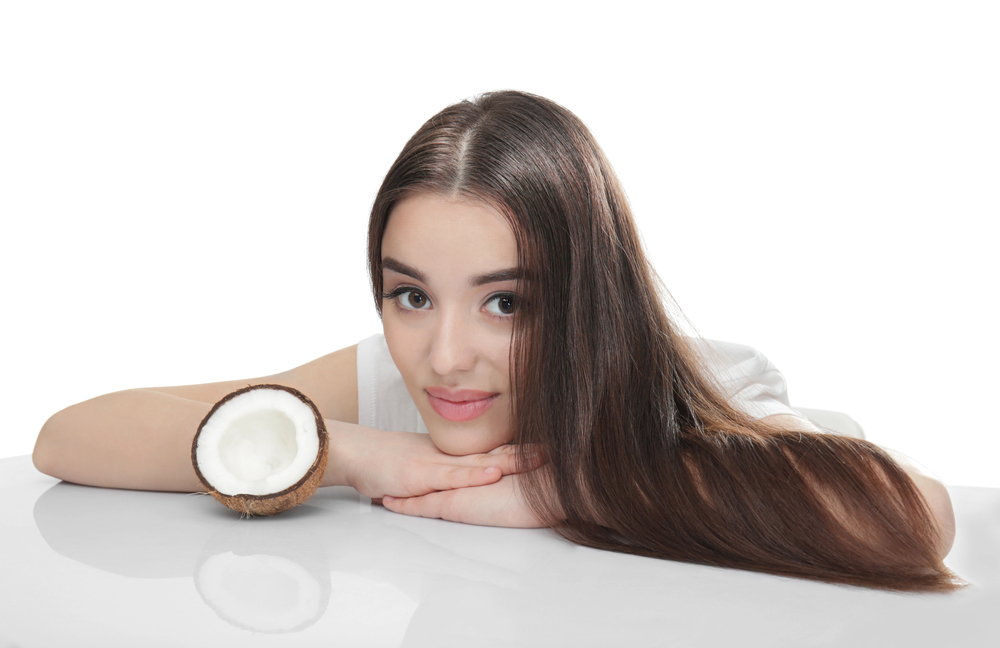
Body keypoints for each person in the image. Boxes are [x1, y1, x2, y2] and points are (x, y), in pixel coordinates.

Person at [33, 90, 961, 593]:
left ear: (590, 294)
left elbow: (913, 516)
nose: (444, 357)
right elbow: (70, 435)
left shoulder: (698, 380)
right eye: (409, 295)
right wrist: (350, 449)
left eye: (505, 304)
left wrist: (565, 488)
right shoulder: (404, 388)